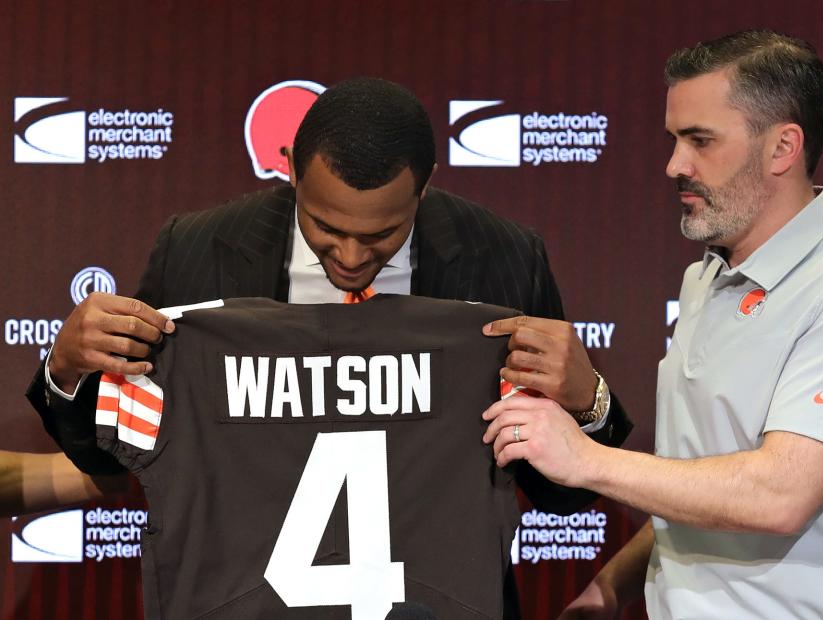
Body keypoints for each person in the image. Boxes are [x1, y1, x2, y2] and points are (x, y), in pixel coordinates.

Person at [26, 77, 632, 617]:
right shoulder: (198, 250)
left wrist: (589, 403)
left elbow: (560, 493)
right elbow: (111, 457)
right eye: (325, 228)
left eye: (380, 236)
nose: (349, 256)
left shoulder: (502, 258)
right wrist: (66, 369)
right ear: (291, 172)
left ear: (424, 189)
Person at [483, 30, 823, 619]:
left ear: (782, 147)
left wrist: (586, 459)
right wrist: (612, 586)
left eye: (700, 141)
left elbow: (779, 495)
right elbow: (704, 486)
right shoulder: (706, 279)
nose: (674, 165)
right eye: (674, 139)